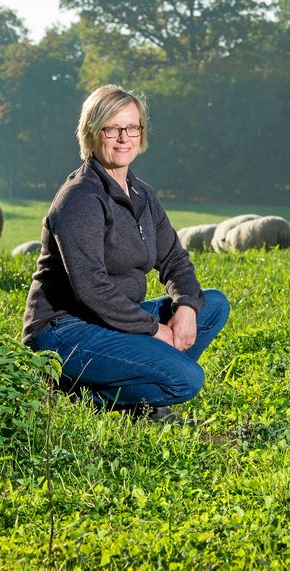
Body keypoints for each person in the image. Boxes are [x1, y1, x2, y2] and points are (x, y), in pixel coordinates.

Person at [22, 84, 229, 422]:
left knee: (213, 303)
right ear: (92, 133)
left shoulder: (142, 193)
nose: (124, 138)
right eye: (112, 128)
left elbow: (174, 259)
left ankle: (137, 384)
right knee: (187, 380)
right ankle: (82, 395)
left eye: (132, 127)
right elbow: (92, 290)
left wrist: (187, 306)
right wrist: (154, 329)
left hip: (115, 319)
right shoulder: (79, 199)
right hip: (65, 329)